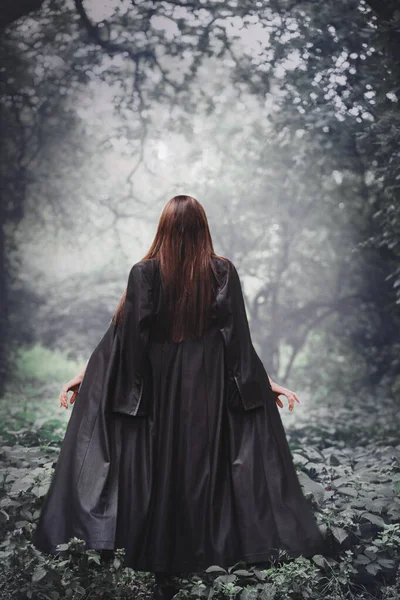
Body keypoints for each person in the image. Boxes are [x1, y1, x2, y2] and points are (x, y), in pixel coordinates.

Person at [32, 195, 326, 599]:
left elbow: (124, 338)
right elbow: (236, 339)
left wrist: (92, 377)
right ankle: (207, 558)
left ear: (163, 228)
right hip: (209, 383)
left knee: (159, 466)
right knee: (205, 466)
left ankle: (160, 563)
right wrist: (262, 382)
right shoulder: (222, 271)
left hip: (157, 383)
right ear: (203, 227)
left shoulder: (145, 272)